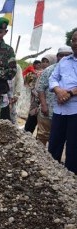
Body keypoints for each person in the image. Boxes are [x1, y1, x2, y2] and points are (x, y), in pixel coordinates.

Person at [48, 30, 77, 174]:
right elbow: (53, 78)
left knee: (73, 147)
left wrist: (70, 93)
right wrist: (59, 91)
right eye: (73, 40)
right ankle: (52, 175)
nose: (75, 43)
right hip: (59, 109)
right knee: (54, 144)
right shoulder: (64, 61)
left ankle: (71, 179)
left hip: (75, 110)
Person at [37, 46, 72, 146]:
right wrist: (43, 105)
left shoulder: (74, 70)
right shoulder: (49, 70)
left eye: (67, 55)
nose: (64, 58)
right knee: (42, 135)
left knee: (60, 138)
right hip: (48, 110)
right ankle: (39, 159)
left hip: (67, 112)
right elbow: (40, 88)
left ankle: (53, 160)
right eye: (61, 55)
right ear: (57, 57)